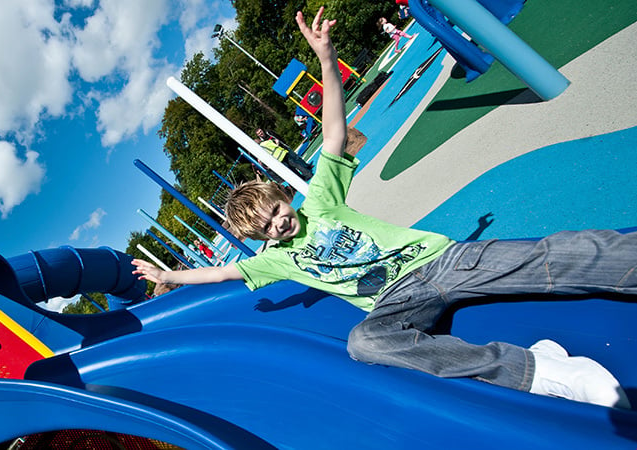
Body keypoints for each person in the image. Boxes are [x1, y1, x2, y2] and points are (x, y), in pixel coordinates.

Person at [132, 6, 633, 410]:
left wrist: (327, 61)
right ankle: (543, 372)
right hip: (395, 302)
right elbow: (221, 277)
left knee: (542, 257)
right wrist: (170, 276)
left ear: (284, 196)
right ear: (263, 238)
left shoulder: (321, 200)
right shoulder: (276, 260)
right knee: (364, 344)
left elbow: (333, 133)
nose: (279, 225)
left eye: (277, 211)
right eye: (268, 228)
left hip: (439, 261)